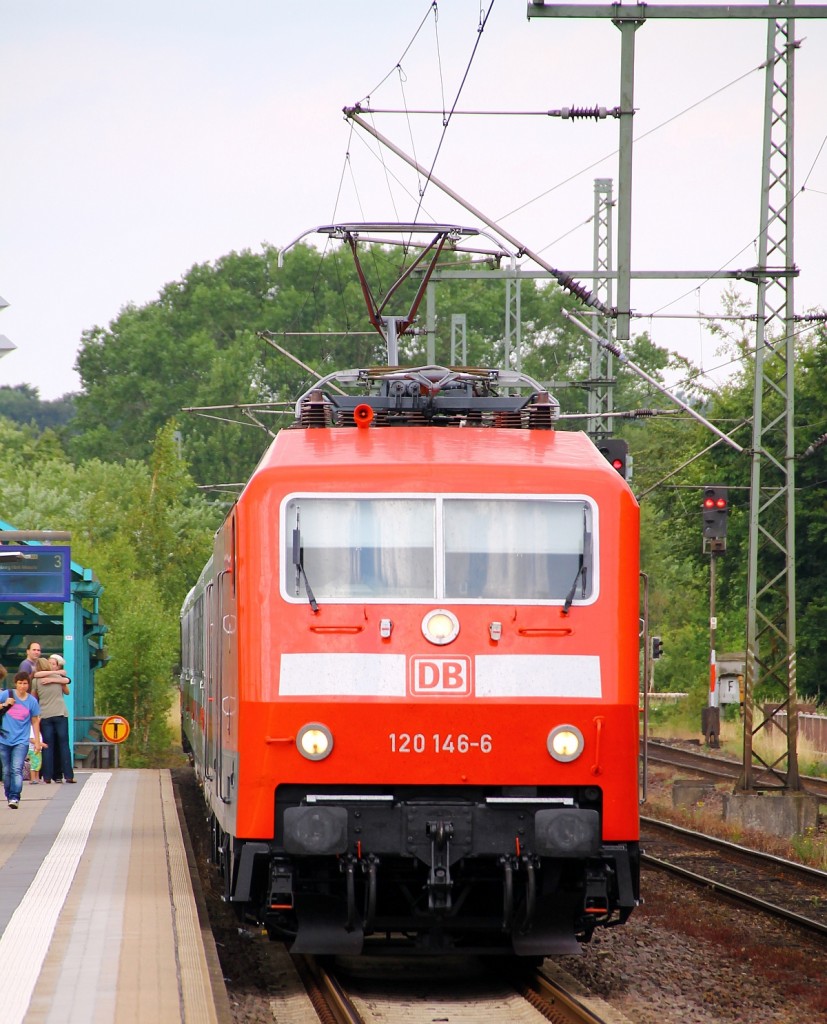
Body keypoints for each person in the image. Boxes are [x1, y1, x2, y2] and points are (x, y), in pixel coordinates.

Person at [0, 672, 43, 808]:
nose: (22, 686)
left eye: (25, 683)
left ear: (28, 685)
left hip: (21, 740)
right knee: (6, 771)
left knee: (16, 768)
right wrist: (4, 704)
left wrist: (37, 741)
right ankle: (9, 794)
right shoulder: (7, 694)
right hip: (4, 739)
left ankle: (15, 797)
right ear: (15, 683)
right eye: (20, 683)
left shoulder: (31, 701)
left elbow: (35, 721)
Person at [32, 655, 75, 784]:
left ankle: (47, 776)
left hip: (45, 714)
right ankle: (68, 775)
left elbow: (34, 698)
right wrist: (57, 680)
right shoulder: (59, 677)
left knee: (48, 745)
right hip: (60, 713)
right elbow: (67, 691)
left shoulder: (36, 681)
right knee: (63, 745)